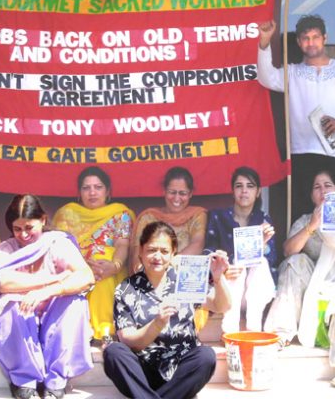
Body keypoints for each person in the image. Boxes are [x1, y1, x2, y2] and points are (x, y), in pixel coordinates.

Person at [0, 194, 94, 399]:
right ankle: (24, 380)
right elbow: (4, 282)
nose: (23, 235)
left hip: (52, 320)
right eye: (17, 229)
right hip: (21, 323)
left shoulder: (57, 242)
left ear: (43, 220)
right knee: (9, 304)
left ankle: (55, 381)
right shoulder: (6, 249)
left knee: (75, 302)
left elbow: (86, 276)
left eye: (29, 228)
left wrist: (47, 291)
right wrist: (53, 278)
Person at [256, 15, 335, 220]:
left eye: (315, 37)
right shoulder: (293, 73)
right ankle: (304, 253)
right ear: (299, 42)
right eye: (305, 38)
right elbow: (266, 78)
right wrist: (264, 43)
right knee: (305, 213)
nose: (311, 42)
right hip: (303, 152)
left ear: (325, 38)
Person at [103, 221, 231, 399]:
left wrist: (218, 279)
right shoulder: (126, 289)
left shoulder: (184, 280)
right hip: (142, 372)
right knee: (114, 352)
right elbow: (130, 340)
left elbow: (221, 306)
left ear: (173, 253)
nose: (157, 256)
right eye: (151, 250)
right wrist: (157, 323)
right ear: (140, 251)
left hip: (179, 372)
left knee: (206, 356)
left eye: (164, 251)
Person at [263, 170, 335, 356]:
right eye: (317, 187)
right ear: (312, 196)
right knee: (295, 262)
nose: (323, 191)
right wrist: (312, 226)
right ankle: (280, 332)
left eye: (327, 186)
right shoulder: (306, 220)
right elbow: (288, 251)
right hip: (314, 280)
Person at [51, 166, 135, 340]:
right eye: (86, 188)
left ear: (107, 191)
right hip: (73, 268)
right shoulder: (67, 214)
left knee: (102, 275)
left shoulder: (120, 214)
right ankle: (86, 331)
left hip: (111, 270)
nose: (92, 193)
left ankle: (104, 330)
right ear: (79, 192)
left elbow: (122, 245)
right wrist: (84, 265)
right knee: (94, 272)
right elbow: (60, 246)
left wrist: (115, 265)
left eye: (98, 187)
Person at [205, 166, 276, 333]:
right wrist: (222, 270)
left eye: (250, 186)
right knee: (236, 264)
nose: (244, 191)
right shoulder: (218, 217)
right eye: (239, 186)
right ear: (232, 191)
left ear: (258, 192)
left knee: (261, 262)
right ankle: (230, 330)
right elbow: (207, 252)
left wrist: (263, 244)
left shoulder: (263, 220)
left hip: (255, 293)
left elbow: (272, 261)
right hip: (227, 290)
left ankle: (253, 328)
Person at [130, 167, 207, 273]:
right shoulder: (149, 217)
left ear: (190, 194)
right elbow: (138, 254)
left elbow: (198, 244)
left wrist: (167, 267)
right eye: (172, 192)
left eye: (182, 193)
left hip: (185, 278)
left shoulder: (196, 215)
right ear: (164, 191)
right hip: (151, 278)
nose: (176, 198)